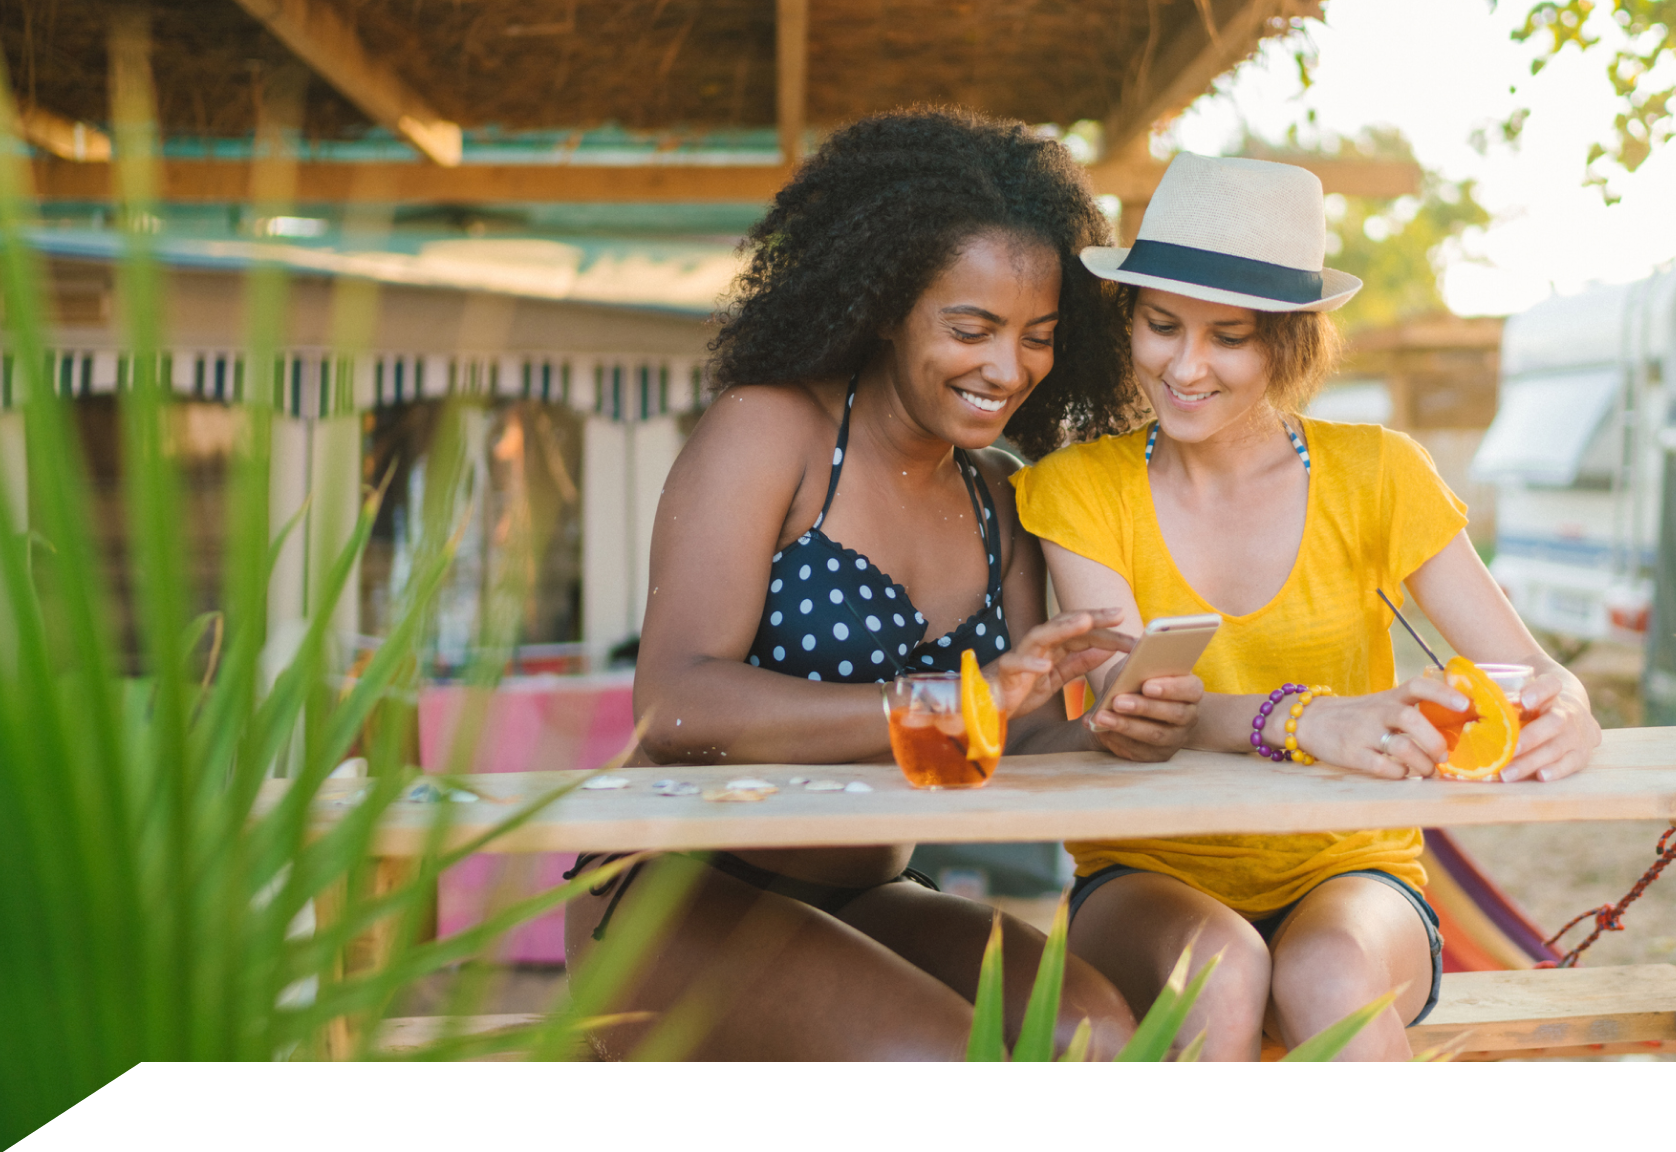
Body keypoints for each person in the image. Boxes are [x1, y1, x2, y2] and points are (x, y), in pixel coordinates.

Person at [564, 109, 1202, 1060]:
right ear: (884, 304)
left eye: (1038, 335)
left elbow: (1012, 732)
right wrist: (947, 705)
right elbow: (678, 700)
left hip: (872, 889)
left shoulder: (1002, 500)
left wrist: (1108, 731)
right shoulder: (771, 432)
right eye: (972, 328)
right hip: (678, 885)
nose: (1006, 367)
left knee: (1098, 1035)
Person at [1011, 154, 1603, 1060]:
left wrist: (1568, 706)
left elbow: (1526, 668)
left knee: (1324, 972)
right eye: (1162, 325)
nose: (1187, 366)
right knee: (1222, 966)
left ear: (1289, 343)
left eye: (1231, 337)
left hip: (1354, 870)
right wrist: (1308, 720)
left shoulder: (1379, 473)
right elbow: (1138, 709)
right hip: (1146, 874)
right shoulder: (1078, 489)